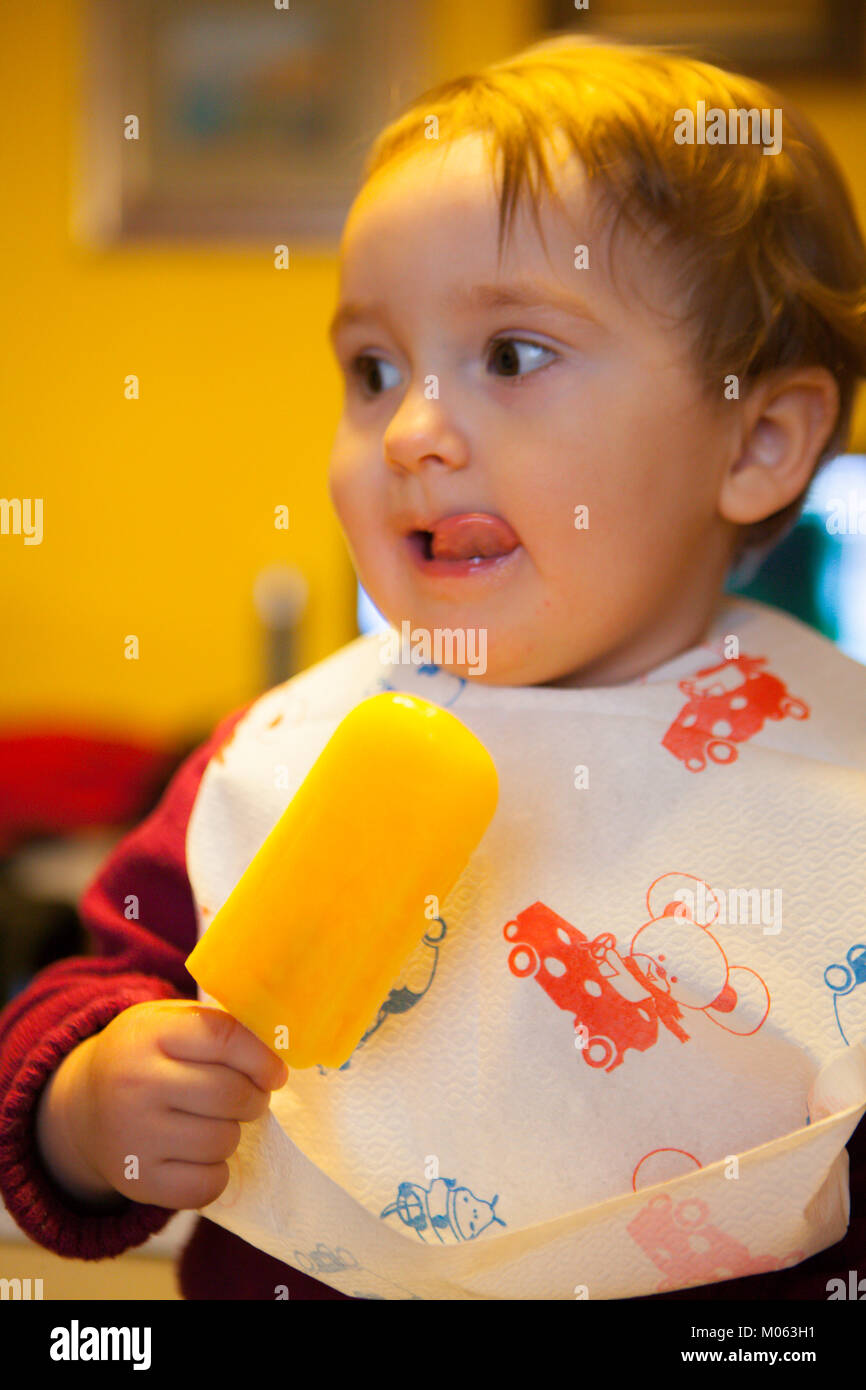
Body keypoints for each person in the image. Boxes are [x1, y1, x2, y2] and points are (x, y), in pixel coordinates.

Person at [3, 35, 866, 1300]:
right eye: (370, 370)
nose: (410, 430)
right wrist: (85, 1105)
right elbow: (98, 980)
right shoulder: (288, 754)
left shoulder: (834, 788)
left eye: (511, 355)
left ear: (757, 441)